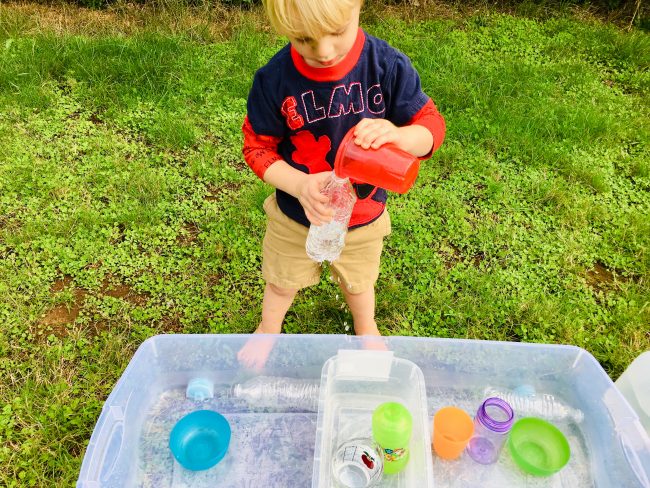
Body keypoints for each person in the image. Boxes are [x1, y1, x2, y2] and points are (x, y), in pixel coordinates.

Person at [237, 0, 446, 370]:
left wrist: (400, 135)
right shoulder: (274, 80)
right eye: (303, 39)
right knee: (282, 280)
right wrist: (300, 185)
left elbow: (431, 128)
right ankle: (268, 328)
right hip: (297, 213)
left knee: (360, 282)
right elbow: (257, 148)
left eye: (336, 32)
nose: (324, 51)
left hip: (362, 215)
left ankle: (366, 327)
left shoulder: (386, 67)